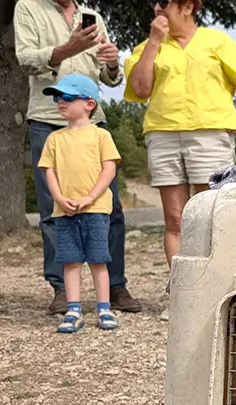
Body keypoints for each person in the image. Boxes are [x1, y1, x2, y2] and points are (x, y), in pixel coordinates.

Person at [123, 0, 236, 294]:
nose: (158, 9)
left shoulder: (217, 41)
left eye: (165, 3)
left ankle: (217, 290)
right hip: (163, 135)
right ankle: (183, 294)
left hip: (210, 136)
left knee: (212, 214)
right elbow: (140, 89)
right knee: (175, 219)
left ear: (187, 6)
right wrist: (153, 41)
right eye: (155, 4)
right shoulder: (147, 46)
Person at [14, 0, 141, 316]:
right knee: (53, 210)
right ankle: (61, 289)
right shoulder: (27, 8)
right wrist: (68, 49)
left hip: (92, 122)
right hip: (47, 119)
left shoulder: (93, 16)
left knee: (109, 207)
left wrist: (112, 64)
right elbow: (26, 60)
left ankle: (115, 286)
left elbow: (110, 79)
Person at [37, 74, 122, 334]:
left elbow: (109, 170)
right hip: (64, 211)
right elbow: (48, 171)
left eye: (67, 97)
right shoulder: (54, 139)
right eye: (57, 97)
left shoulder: (101, 136)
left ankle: (104, 308)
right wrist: (60, 199)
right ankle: (73, 309)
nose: (60, 102)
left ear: (89, 104)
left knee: (98, 260)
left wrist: (89, 198)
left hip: (95, 210)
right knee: (70, 261)